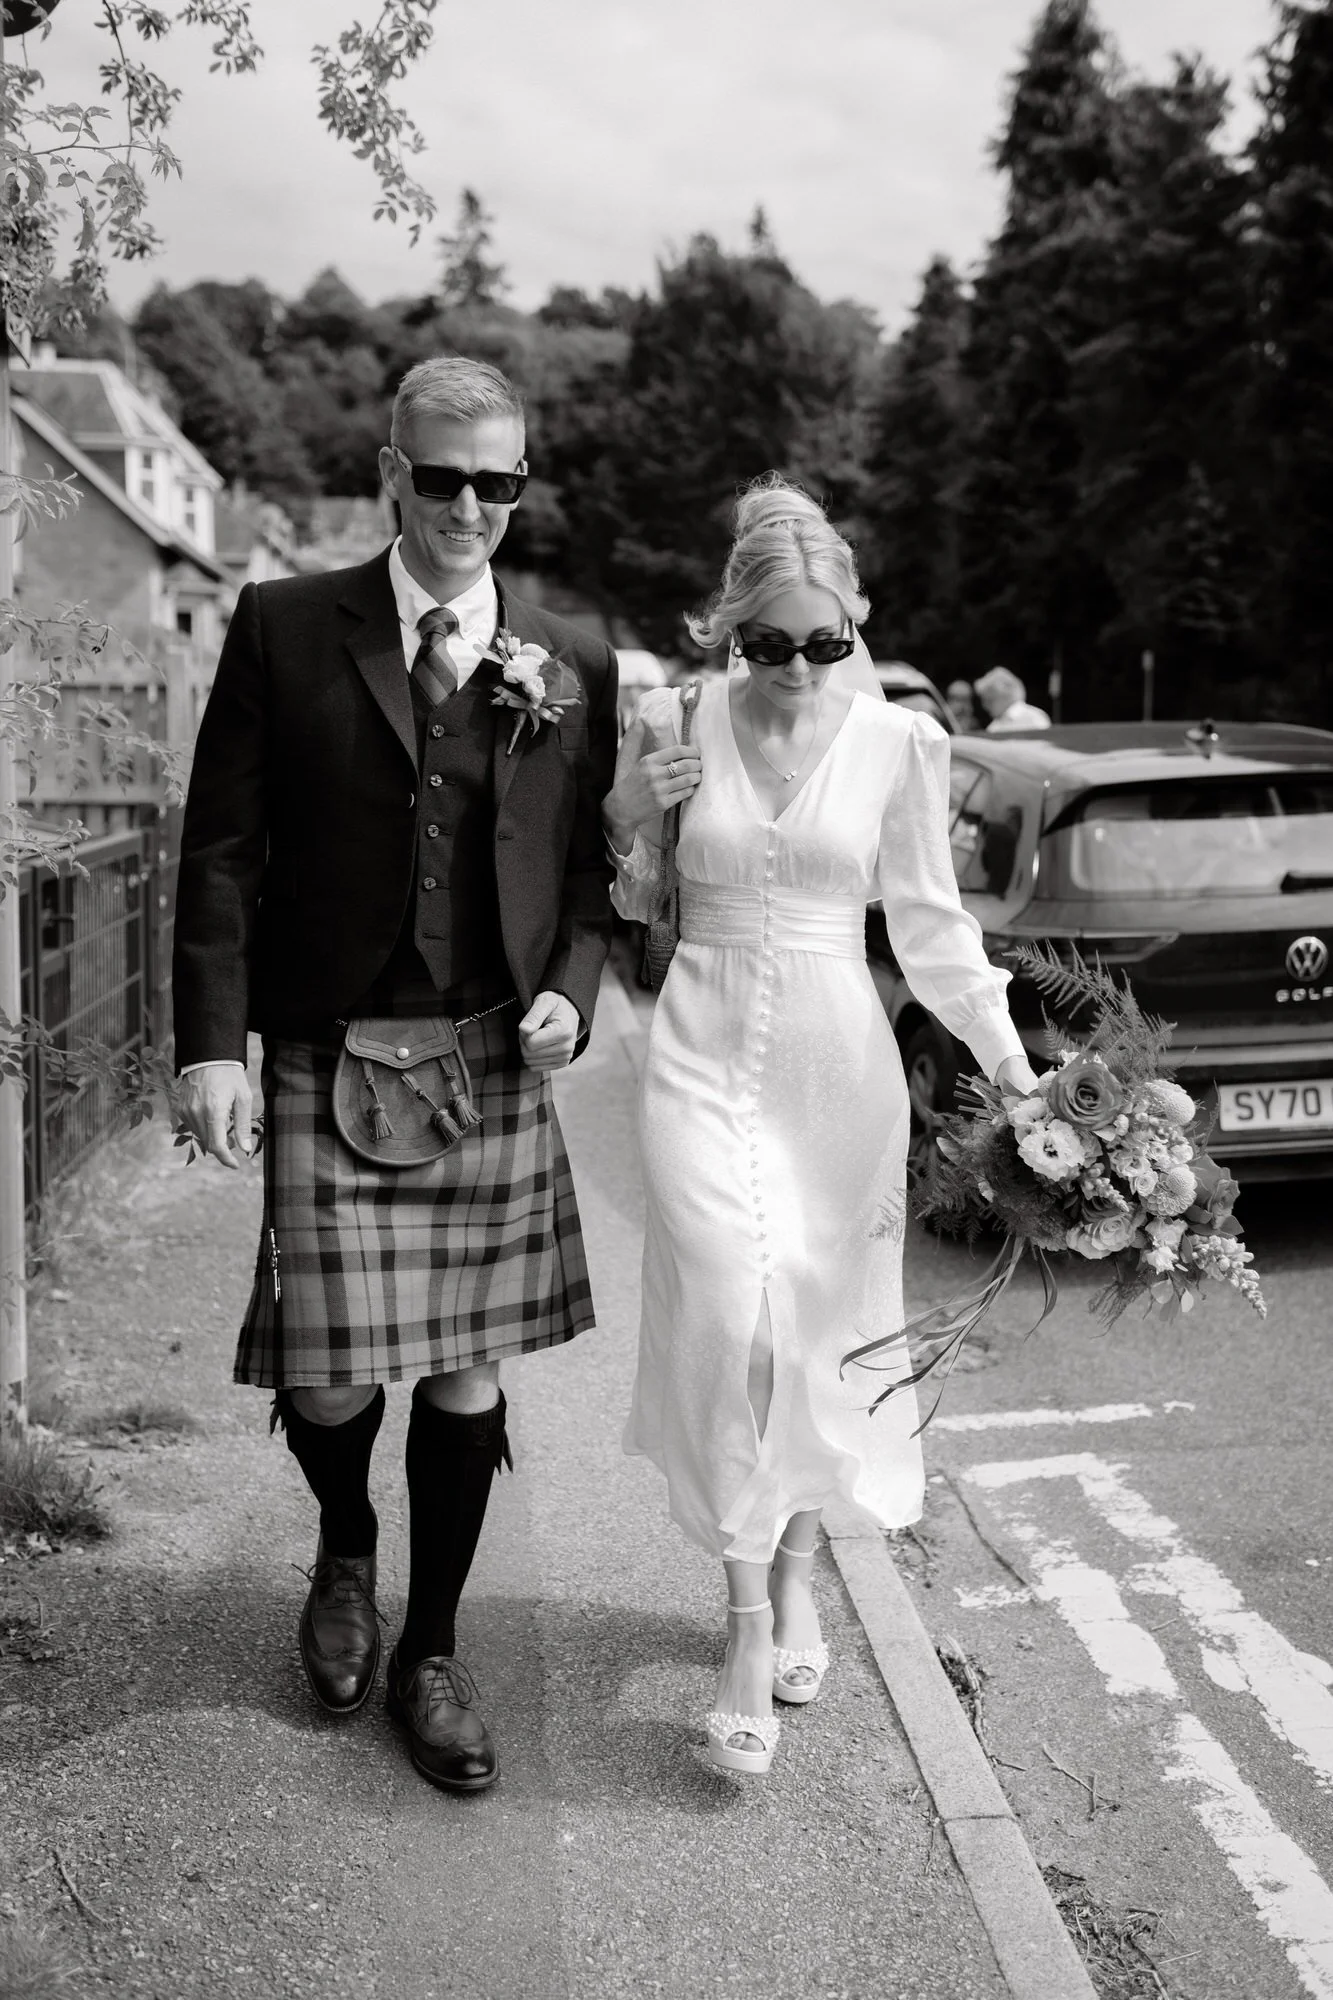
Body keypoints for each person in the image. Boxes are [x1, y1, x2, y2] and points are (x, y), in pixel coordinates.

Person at [172, 356, 618, 1795]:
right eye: (442, 477)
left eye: (500, 480)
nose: (470, 506)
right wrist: (210, 1044)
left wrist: (569, 993)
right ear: (390, 474)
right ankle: (347, 1541)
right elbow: (220, 852)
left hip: (484, 1050)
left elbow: (594, 875)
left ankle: (431, 1648)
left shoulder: (572, 659)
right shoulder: (286, 624)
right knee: (327, 1377)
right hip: (328, 1040)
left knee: (467, 1369)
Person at [601, 478, 1037, 1777]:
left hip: (839, 1070)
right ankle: (744, 1633)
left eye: (821, 641)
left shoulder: (900, 743)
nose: (795, 668)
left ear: (857, 620)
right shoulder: (676, 719)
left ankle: (794, 1578)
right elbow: (627, 903)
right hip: (697, 1049)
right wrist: (628, 814)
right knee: (731, 1320)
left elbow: (932, 928)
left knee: (816, 1336)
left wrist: (1017, 1075)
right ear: (729, 628)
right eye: (767, 644)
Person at [974, 665, 1050, 732]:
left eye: (989, 700)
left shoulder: (1033, 718)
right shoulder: (994, 726)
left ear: (1005, 695)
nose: (985, 706)